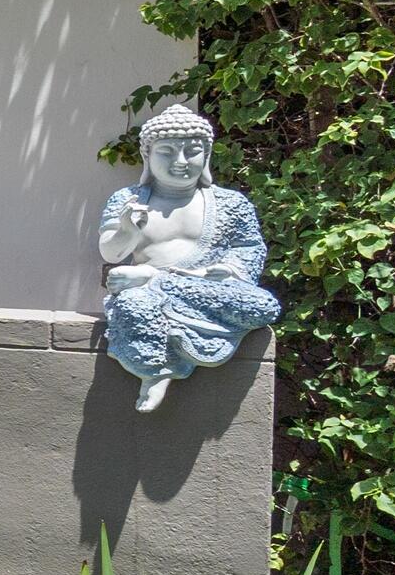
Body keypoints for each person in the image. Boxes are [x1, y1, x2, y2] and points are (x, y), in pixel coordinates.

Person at [96, 105, 279, 412]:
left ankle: (156, 287)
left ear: (206, 156)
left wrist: (229, 269)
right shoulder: (128, 199)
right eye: (167, 151)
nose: (180, 162)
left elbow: (249, 248)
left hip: (208, 289)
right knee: (133, 304)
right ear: (147, 156)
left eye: (192, 152)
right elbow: (110, 252)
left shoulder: (230, 203)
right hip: (147, 296)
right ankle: (156, 370)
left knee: (263, 305)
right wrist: (127, 229)